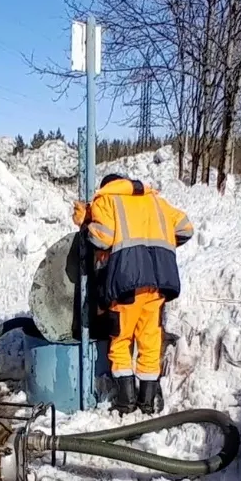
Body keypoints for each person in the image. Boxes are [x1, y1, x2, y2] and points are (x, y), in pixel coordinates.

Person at [73, 174, 194, 415]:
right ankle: (147, 404)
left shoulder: (106, 200)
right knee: (150, 342)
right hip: (159, 283)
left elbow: (101, 237)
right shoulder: (156, 201)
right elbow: (186, 229)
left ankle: (125, 403)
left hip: (125, 283)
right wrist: (160, 247)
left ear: (107, 186)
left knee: (121, 341)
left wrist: (85, 223)